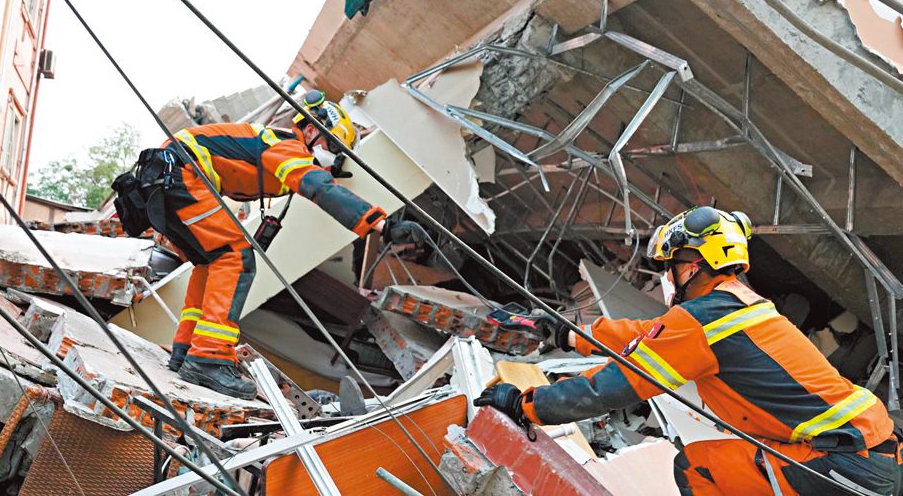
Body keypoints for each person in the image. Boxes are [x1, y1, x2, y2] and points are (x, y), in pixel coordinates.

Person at [475, 206, 901, 495]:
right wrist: (565, 334)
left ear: (692, 265)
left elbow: (610, 389)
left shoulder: (702, 320)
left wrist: (524, 404)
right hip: (872, 450)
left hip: (839, 463)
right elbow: (648, 335)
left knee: (696, 468)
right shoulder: (742, 306)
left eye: (671, 265)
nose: (669, 276)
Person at [113, 90, 417, 399]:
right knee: (236, 258)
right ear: (311, 129)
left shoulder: (276, 144)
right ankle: (209, 357)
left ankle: (187, 349)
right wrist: (382, 225)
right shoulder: (287, 145)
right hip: (181, 175)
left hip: (166, 179)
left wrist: (325, 167)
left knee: (211, 263)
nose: (334, 156)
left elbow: (302, 177)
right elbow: (318, 189)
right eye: (334, 146)